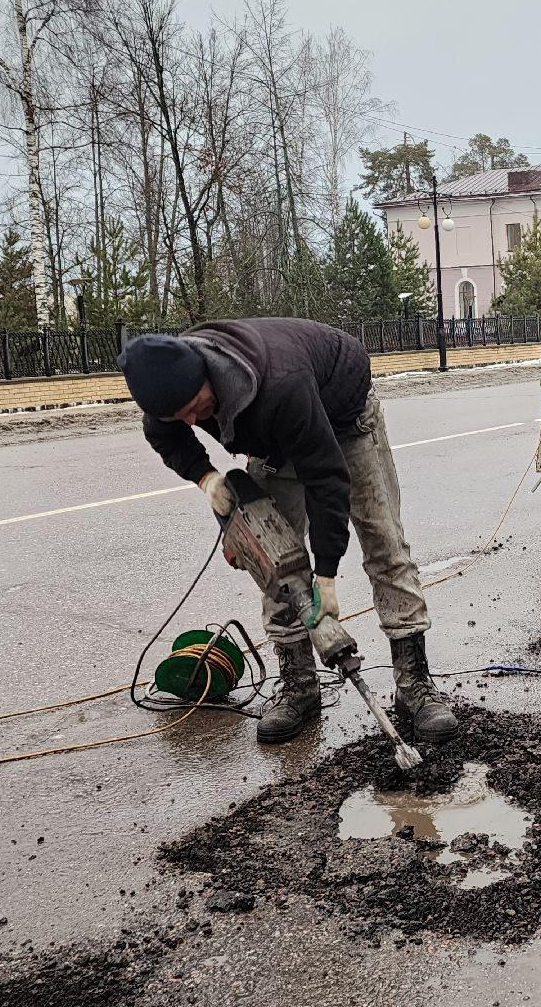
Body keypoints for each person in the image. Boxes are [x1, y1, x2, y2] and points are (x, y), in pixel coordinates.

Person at [117, 318, 458, 746]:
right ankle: (299, 684)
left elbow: (326, 479)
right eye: (177, 414)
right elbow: (163, 433)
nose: (190, 418)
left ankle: (413, 684)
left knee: (384, 544)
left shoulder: (281, 382)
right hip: (271, 439)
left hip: (344, 420)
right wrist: (206, 477)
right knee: (272, 557)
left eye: (193, 405)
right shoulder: (168, 389)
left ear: (205, 375)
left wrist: (326, 577)